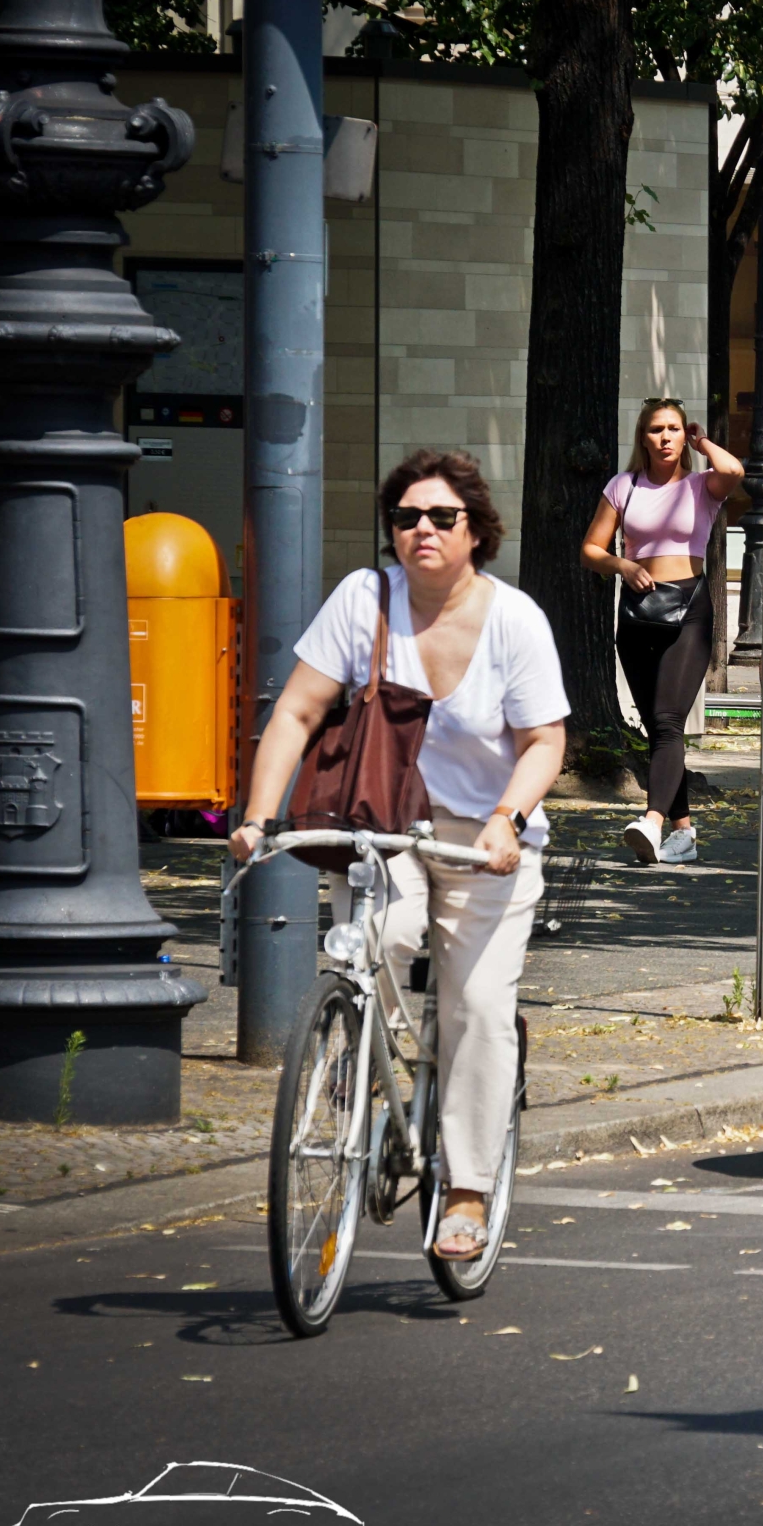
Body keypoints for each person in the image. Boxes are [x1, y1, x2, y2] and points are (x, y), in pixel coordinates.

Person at [229, 450, 569, 1260]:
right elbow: (297, 713)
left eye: (441, 517)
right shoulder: (364, 599)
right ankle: (368, 1060)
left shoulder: (514, 619)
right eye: (407, 517)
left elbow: (545, 741)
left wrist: (506, 820)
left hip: (488, 836)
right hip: (384, 820)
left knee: (478, 1006)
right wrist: (256, 816)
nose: (421, 529)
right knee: (375, 940)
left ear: (475, 530)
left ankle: (467, 1189)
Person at [579, 398, 745, 864]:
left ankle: (651, 823)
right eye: (657, 429)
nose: (666, 437)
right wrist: (622, 566)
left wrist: (703, 441)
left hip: (689, 610)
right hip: (637, 612)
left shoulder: (701, 485)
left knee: (669, 722)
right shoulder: (623, 485)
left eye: (674, 428)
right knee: (657, 728)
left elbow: (733, 471)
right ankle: (684, 835)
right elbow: (589, 549)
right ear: (643, 437)